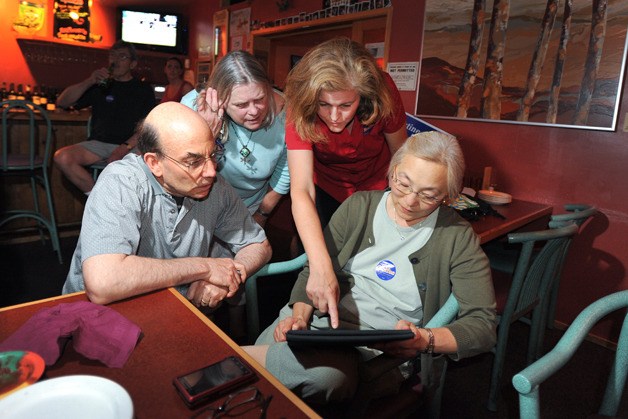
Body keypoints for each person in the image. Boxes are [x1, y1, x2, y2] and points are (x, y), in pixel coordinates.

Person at [244, 131, 496, 404]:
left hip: (377, 352)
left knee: (323, 378)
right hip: (318, 321)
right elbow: (315, 268)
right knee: (272, 370)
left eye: (429, 196)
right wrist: (300, 316)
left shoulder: (457, 236)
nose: (410, 202)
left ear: (448, 195)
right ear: (393, 170)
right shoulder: (359, 206)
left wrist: (424, 340)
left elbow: (482, 327)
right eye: (403, 184)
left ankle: (232, 358)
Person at [61, 102, 272, 308]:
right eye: (194, 162)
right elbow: (103, 283)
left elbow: (258, 245)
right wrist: (205, 268)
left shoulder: (216, 188)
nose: (210, 171)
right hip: (94, 316)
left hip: (169, 312)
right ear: (154, 163)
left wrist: (229, 275)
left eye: (213, 155)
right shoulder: (120, 181)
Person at [284, 37, 408, 328]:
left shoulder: (383, 90)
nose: (334, 117)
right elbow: (301, 189)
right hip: (327, 184)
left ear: (363, 96)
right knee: (317, 256)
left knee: (371, 260)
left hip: (377, 183)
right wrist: (320, 264)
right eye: (324, 105)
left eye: (345, 105)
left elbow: (401, 158)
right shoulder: (300, 102)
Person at [181, 50, 289, 228]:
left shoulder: (287, 115)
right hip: (197, 203)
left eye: (260, 99)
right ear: (219, 98)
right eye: (241, 105)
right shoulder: (191, 107)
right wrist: (207, 133)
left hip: (250, 207)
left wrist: (261, 215)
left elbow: (284, 174)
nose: (254, 111)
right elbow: (181, 171)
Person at [54, 41, 156, 194]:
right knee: (62, 157)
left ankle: (129, 207)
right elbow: (62, 102)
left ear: (132, 64)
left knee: (148, 164)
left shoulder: (143, 90)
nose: (115, 60)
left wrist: (124, 148)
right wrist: (90, 81)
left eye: (122, 56)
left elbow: (147, 125)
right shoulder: (100, 85)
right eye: (112, 56)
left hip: (131, 145)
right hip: (99, 144)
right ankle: (99, 200)